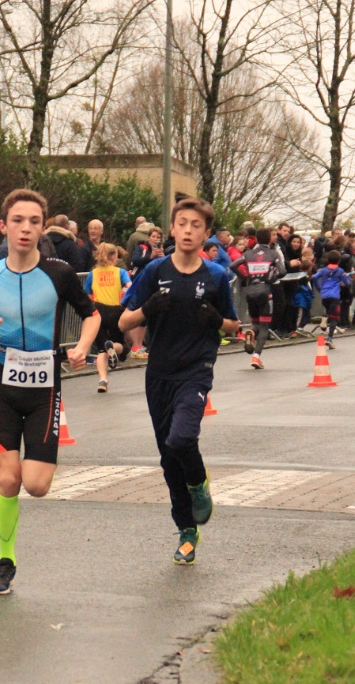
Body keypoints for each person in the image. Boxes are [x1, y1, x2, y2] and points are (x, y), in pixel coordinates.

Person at [0, 188, 100, 595]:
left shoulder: (59, 273)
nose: (25, 228)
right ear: (3, 226)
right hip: (3, 386)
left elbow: (91, 315)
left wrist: (83, 347)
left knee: (35, 485)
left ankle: (34, 465)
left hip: (45, 389)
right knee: (7, 479)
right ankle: (5, 561)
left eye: (34, 222)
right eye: (18, 221)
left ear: (42, 228)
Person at [119, 196, 238, 566]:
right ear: (172, 229)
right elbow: (123, 321)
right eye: (182, 223)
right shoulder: (154, 271)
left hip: (196, 370)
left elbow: (234, 326)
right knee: (169, 459)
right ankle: (187, 531)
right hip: (159, 373)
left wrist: (217, 321)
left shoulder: (216, 276)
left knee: (181, 438)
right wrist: (147, 310)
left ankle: (199, 483)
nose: (188, 230)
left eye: (196, 226)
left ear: (206, 234)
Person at [230, 228, 285, 369]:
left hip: (250, 291)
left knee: (256, 323)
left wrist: (245, 277)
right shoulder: (273, 253)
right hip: (265, 292)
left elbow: (233, 265)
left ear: (256, 239)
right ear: (269, 239)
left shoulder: (248, 253)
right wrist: (271, 279)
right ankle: (256, 356)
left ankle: (251, 332)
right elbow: (283, 271)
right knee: (265, 326)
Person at [83, 242, 131, 392]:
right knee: (122, 346)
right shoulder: (120, 272)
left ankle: (103, 381)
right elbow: (130, 287)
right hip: (116, 311)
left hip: (98, 312)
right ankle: (113, 347)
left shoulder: (93, 273)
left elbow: (87, 293)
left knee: (101, 350)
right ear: (114, 256)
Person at [311, 250, 351, 348]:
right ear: (339, 260)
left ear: (328, 260)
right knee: (334, 318)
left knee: (329, 312)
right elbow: (347, 284)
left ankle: (324, 320)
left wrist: (319, 288)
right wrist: (346, 278)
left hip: (324, 296)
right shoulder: (340, 271)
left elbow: (315, 277)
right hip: (335, 296)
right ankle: (329, 338)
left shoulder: (323, 270)